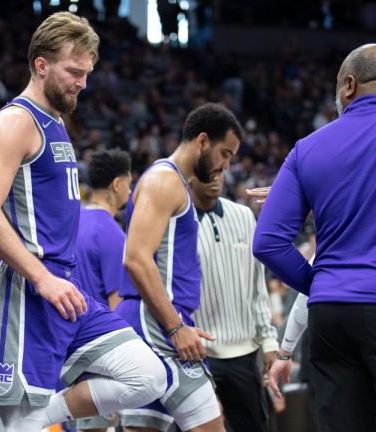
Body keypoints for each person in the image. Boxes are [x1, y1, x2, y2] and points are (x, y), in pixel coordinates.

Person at [0, 12, 166, 432]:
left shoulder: (56, 121)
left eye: (87, 73)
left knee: (149, 375)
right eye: (74, 72)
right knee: (21, 424)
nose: (83, 83)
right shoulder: (14, 121)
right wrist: (41, 279)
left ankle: (25, 420)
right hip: (26, 291)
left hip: (65, 287)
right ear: (41, 65)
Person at [252, 43, 376, 432]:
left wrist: (324, 283)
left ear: (348, 85)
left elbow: (268, 242)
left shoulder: (305, 149)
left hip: (332, 319)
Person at [118, 103, 242, 432]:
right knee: (211, 421)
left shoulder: (173, 183)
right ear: (202, 140)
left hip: (160, 320)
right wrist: (175, 327)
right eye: (225, 153)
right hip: (157, 324)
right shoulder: (164, 181)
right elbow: (135, 258)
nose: (226, 166)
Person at [190, 173, 278, 432]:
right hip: (198, 353)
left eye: (218, 171)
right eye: (206, 172)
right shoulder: (176, 221)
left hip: (245, 351)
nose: (214, 179)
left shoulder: (243, 215)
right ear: (190, 176)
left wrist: (269, 339)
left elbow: (257, 285)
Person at [72, 148, 132, 432]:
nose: (130, 192)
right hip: (97, 352)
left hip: (65, 346)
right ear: (117, 185)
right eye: (130, 184)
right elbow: (116, 306)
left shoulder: (70, 224)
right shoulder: (111, 232)